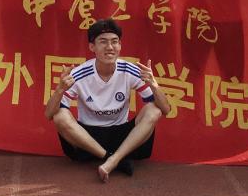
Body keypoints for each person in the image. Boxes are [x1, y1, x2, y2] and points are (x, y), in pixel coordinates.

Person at [44, 19, 170, 182]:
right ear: (92, 47)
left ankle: (114, 159)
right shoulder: (79, 74)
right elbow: (49, 114)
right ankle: (110, 157)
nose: (110, 47)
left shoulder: (130, 70)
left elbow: (165, 109)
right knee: (60, 115)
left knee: (154, 109)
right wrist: (60, 90)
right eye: (103, 42)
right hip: (87, 138)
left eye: (114, 42)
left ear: (120, 46)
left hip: (122, 136)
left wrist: (154, 85)